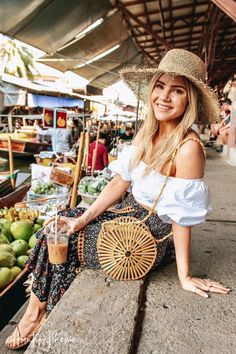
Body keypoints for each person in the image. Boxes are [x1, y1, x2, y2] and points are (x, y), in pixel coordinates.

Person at [6, 49, 231, 350]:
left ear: (189, 100)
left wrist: (185, 275)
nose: (164, 97)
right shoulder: (148, 131)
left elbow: (181, 218)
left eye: (177, 90)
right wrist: (83, 217)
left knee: (61, 240)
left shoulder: (188, 148)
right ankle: (43, 306)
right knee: (59, 223)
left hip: (148, 237)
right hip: (127, 212)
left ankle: (35, 314)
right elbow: (120, 181)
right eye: (160, 87)